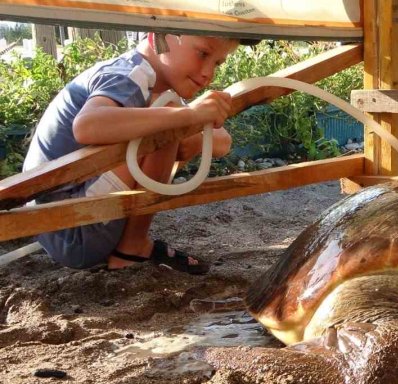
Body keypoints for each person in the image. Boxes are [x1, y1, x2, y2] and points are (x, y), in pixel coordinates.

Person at [23, 32, 247, 274]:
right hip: (71, 228)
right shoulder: (130, 75)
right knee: (167, 126)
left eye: (217, 63)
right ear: (157, 37)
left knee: (171, 123)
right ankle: (131, 248)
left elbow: (222, 143)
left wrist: (189, 126)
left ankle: (130, 243)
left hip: (64, 225)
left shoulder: (157, 90)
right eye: (203, 53)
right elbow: (87, 125)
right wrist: (188, 117)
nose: (208, 73)